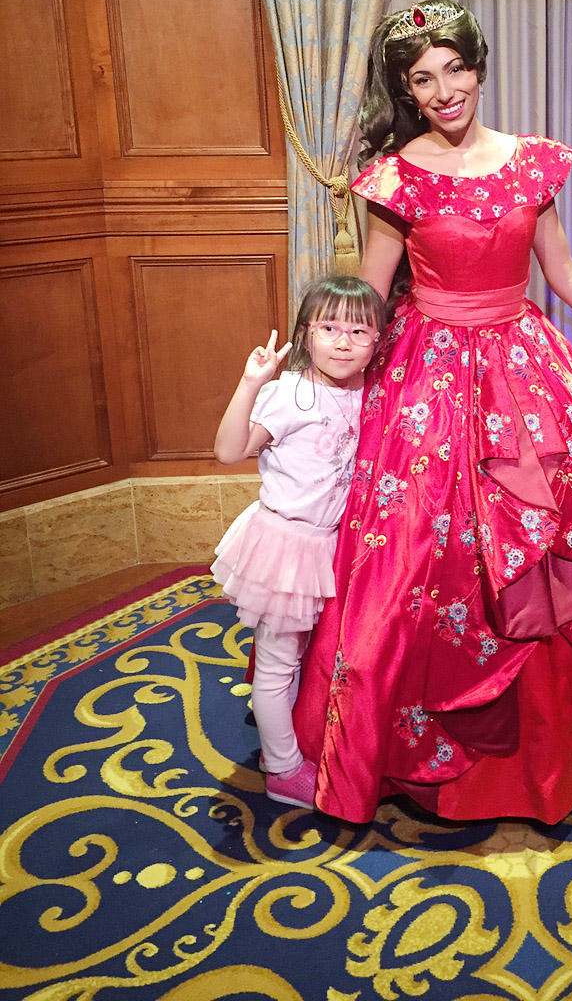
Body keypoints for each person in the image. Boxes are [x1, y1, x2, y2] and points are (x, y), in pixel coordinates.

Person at [292, 0, 572, 824]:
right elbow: (371, 294)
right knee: (421, 549)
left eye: (455, 69)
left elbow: (563, 276)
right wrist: (317, 378)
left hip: (524, 370)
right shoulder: (395, 178)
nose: (444, 90)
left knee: (546, 539)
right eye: (423, 79)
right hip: (426, 382)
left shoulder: (531, 164)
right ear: (408, 92)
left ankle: (554, 750)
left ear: (479, 69)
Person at [212, 275, 386, 806]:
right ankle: (283, 769)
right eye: (329, 328)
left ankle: (282, 741)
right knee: (277, 663)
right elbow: (229, 451)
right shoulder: (288, 393)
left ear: (378, 341)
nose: (343, 342)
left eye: (359, 331)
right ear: (306, 331)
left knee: (302, 656)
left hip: (329, 545)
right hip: (285, 546)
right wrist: (251, 383)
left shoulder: (366, 393)